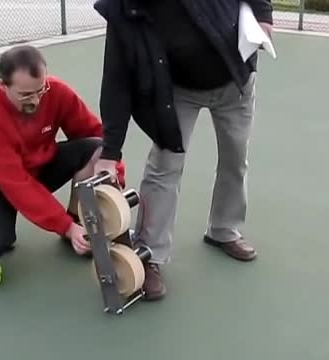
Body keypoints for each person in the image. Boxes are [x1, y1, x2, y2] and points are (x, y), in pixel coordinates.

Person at [93, 0, 274, 300]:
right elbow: (116, 78)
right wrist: (110, 151)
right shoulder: (124, 6)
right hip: (176, 92)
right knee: (164, 167)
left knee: (234, 159)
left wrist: (264, 16)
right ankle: (150, 255)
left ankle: (224, 230)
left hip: (234, 81)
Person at [0, 45, 125, 265]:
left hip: (40, 167)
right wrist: (64, 226)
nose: (36, 101)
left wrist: (115, 178)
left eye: (40, 90)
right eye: (26, 94)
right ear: (3, 85)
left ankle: (80, 220)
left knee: (97, 149)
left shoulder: (57, 92)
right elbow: (16, 183)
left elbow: (96, 135)